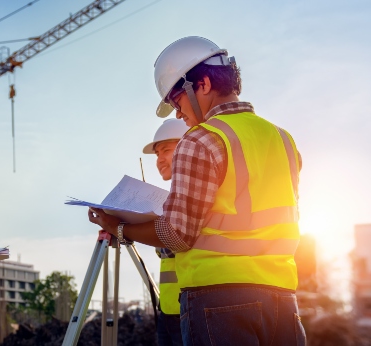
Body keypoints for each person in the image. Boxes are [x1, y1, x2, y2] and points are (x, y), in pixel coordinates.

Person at [88, 36, 306, 345]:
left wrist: (119, 227)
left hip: (220, 302)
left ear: (201, 84)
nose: (178, 114)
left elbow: (177, 233)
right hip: (283, 300)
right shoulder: (284, 140)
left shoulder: (200, 139)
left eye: (176, 101)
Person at [142, 119, 189, 346]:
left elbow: (175, 243)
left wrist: (123, 229)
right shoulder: (169, 200)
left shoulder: (190, 196)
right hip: (169, 309)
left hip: (189, 310)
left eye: (166, 151)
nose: (159, 160)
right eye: (157, 154)